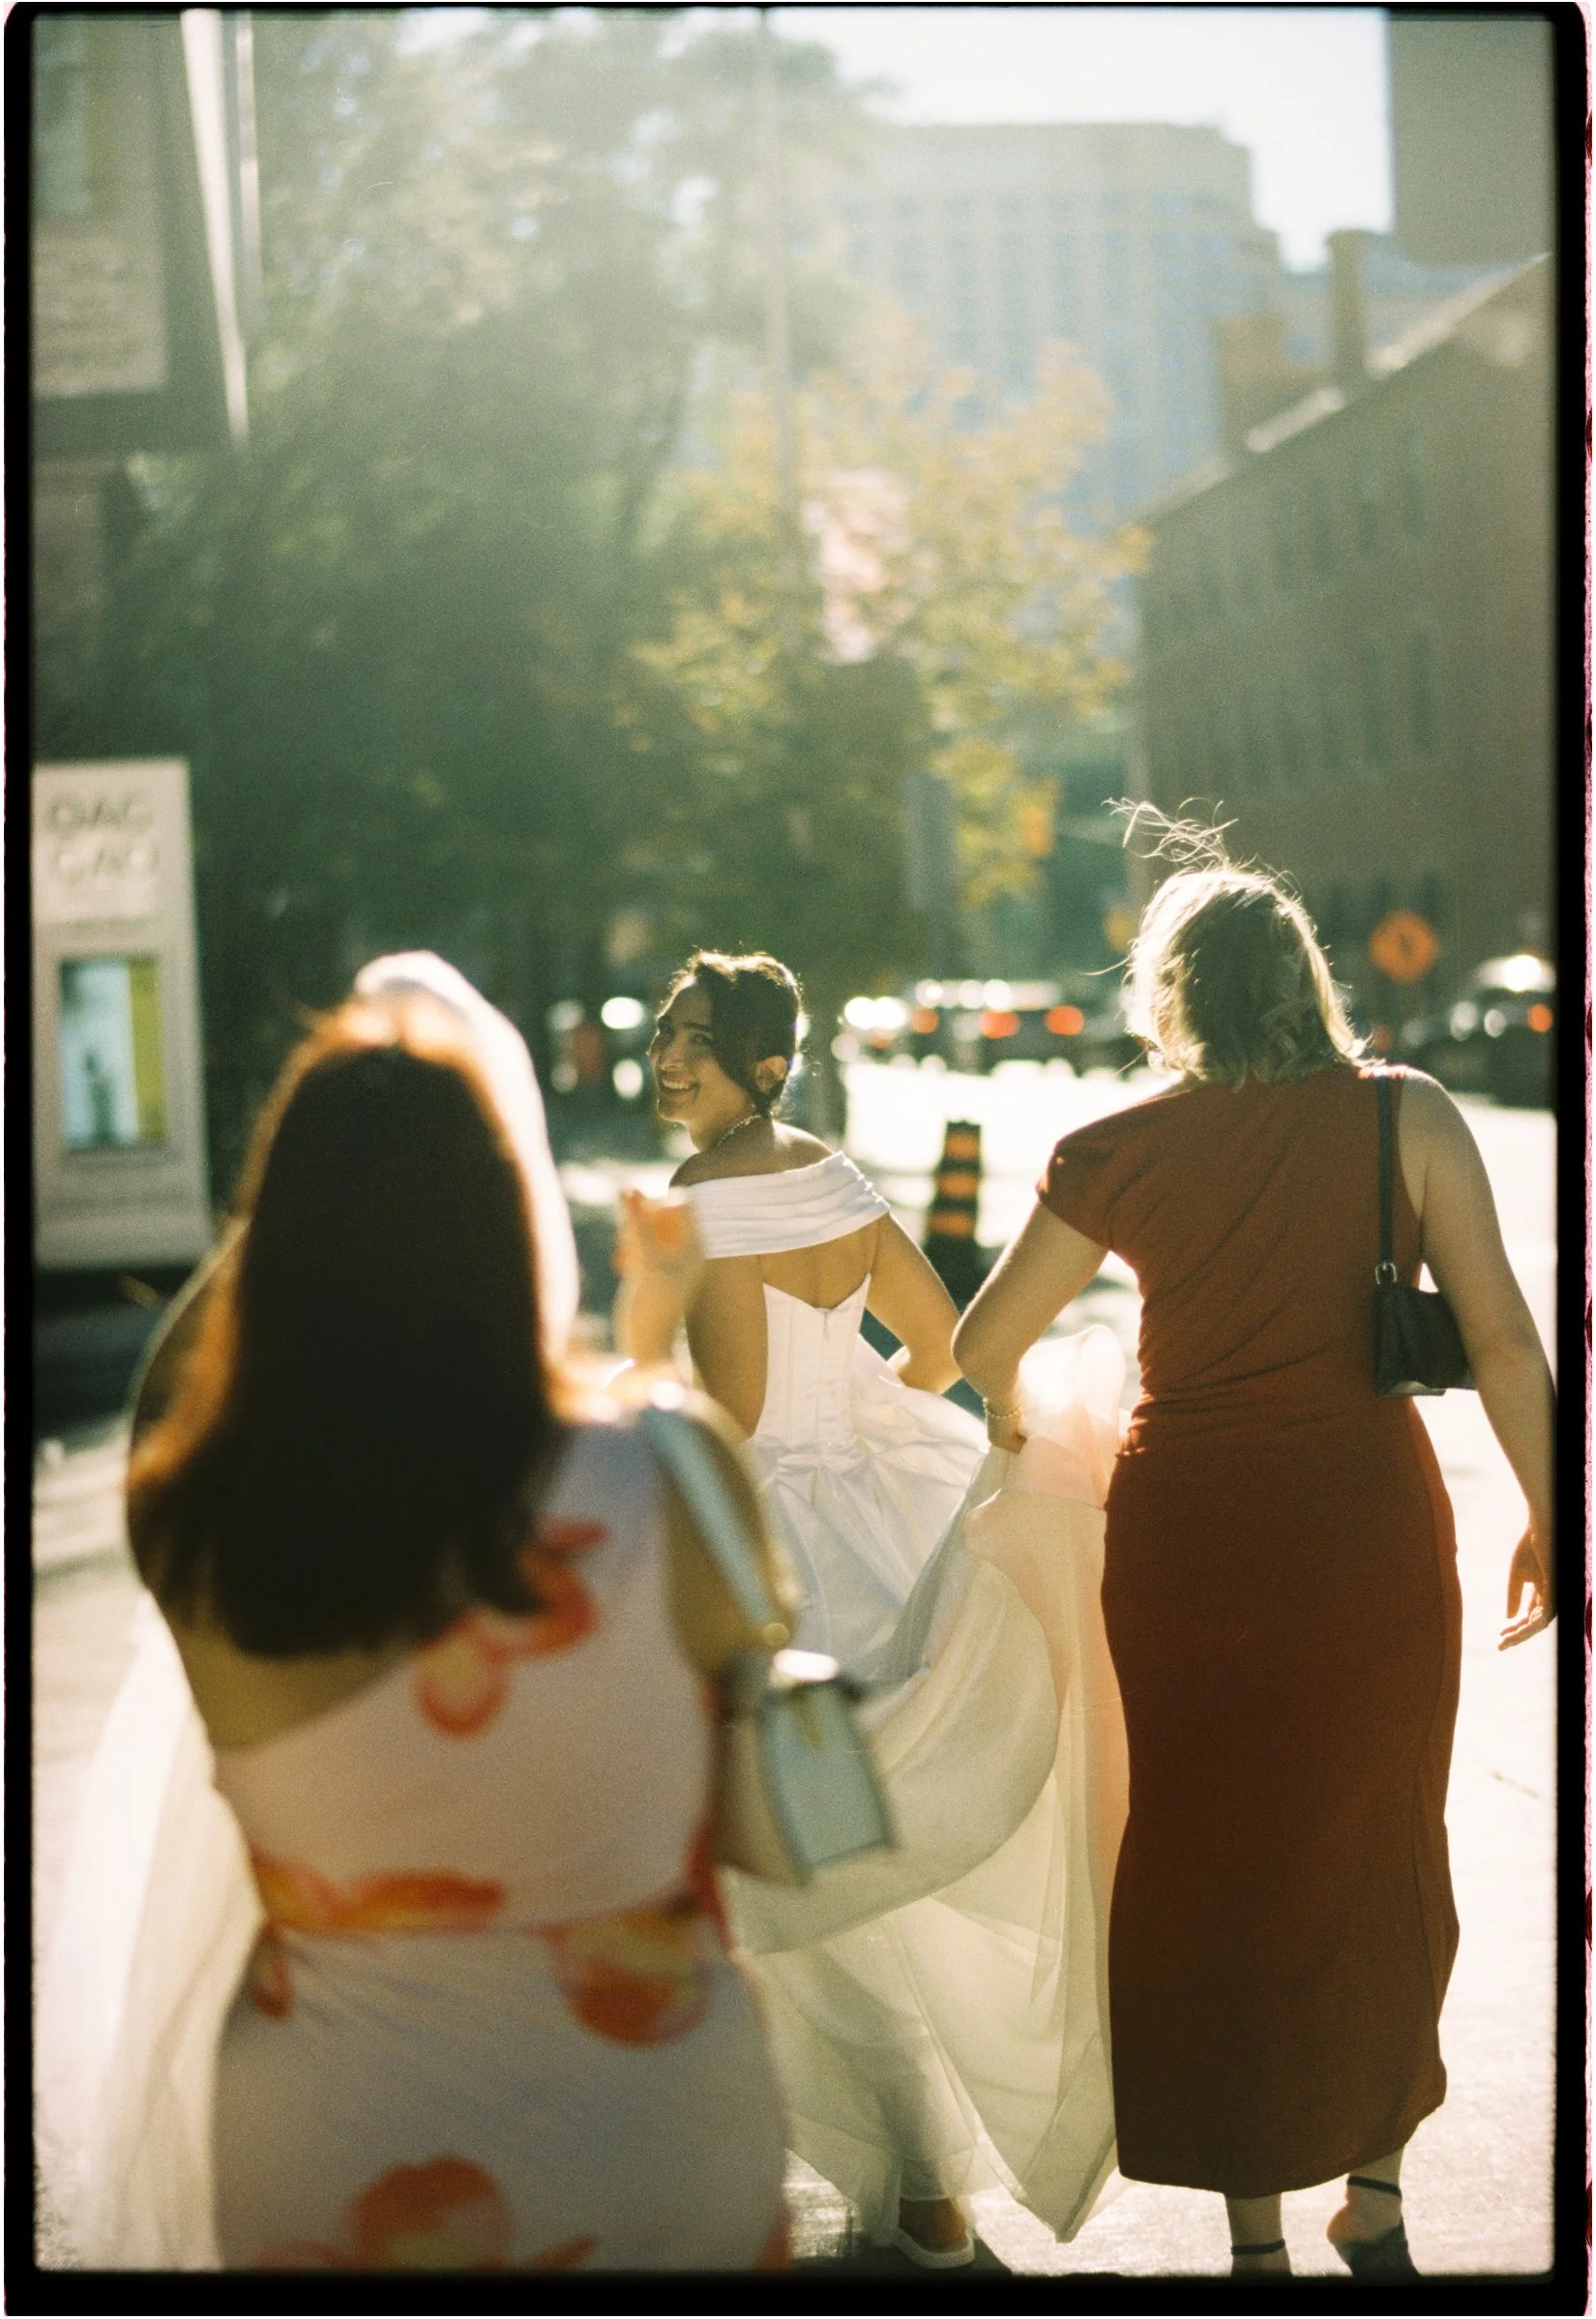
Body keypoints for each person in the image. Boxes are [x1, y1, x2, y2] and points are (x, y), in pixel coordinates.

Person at [41, 956, 794, 2273]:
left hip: (329, 2138)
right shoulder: (671, 1469)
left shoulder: (195, 1526)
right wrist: (648, 1334)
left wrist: (308, 1219)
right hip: (651, 2117)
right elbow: (760, 1817)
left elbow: (187, 1391)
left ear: (273, 1236)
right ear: (510, 1221)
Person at [953, 836, 1556, 2279]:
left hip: (1186, 1544)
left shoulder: (1112, 1150)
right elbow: (1500, 1341)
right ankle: (1380, 2191)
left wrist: (1031, 1428)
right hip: (1362, 1533)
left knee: (1213, 1863)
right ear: (1303, 976)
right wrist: (1554, 1516)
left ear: (1170, 998)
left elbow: (983, 1347)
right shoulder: (1400, 1117)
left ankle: (1254, 2242)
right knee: (1376, 1842)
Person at [617, 948, 1129, 2267]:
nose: (670, 1061)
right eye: (668, 1036)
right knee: (864, 1848)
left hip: (776, 1531)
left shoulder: (702, 1196)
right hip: (892, 1511)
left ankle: (908, 2187)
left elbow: (727, 1420)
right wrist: (866, 1410)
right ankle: (915, 2186)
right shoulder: (833, 1176)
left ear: (764, 1063)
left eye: (697, 1043)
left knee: (787, 1858)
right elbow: (943, 1343)